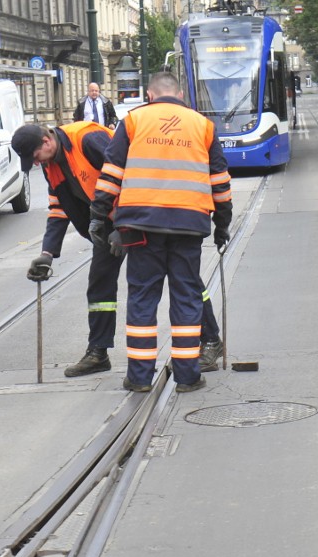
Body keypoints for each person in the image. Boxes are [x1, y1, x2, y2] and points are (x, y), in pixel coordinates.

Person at [12, 122, 226, 377]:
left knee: (181, 275)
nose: (37, 163)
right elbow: (59, 208)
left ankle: (211, 340)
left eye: (35, 157)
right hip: (105, 225)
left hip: (140, 216)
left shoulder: (87, 139)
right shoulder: (52, 165)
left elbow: (128, 176)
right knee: (100, 283)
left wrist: (124, 226)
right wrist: (47, 254)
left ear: (46, 142)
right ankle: (98, 352)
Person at [90, 72, 232, 393]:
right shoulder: (202, 125)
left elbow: (111, 172)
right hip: (189, 225)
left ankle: (139, 378)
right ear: (180, 95)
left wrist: (99, 216)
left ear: (150, 96)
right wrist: (222, 225)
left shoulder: (134, 121)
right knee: (186, 296)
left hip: (141, 226)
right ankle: (188, 376)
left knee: (142, 297)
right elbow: (220, 183)